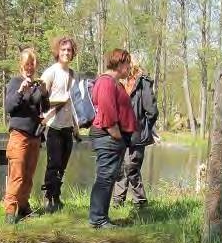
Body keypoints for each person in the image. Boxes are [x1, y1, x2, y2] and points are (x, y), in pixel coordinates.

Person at [88, 49, 138, 229]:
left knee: (108, 177)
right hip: (108, 137)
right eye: (127, 63)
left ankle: (101, 217)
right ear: (119, 63)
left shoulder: (115, 83)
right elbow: (108, 116)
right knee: (105, 177)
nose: (129, 67)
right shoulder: (106, 82)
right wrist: (118, 137)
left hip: (114, 138)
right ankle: (97, 219)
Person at [3, 48, 48, 224]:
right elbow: (10, 107)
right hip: (19, 135)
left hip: (35, 136)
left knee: (28, 175)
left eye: (32, 64)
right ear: (21, 65)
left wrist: (44, 93)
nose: (30, 67)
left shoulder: (37, 85)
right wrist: (21, 91)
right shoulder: (15, 83)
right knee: (17, 174)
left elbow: (43, 108)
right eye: (27, 64)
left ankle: (23, 207)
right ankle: (10, 211)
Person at [41, 36, 79, 213]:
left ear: (73, 53)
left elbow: (74, 104)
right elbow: (40, 101)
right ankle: (48, 198)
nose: (66, 52)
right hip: (53, 126)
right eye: (63, 49)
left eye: (69, 50)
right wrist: (59, 100)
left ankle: (57, 196)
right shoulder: (50, 72)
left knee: (62, 165)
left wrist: (76, 128)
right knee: (53, 164)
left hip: (67, 127)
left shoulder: (73, 75)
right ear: (58, 51)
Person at [112, 61, 158, 208]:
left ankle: (140, 202)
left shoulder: (143, 83)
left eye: (128, 64)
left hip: (137, 134)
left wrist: (145, 129)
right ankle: (118, 202)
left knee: (132, 167)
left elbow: (152, 111)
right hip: (120, 132)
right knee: (120, 168)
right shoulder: (118, 83)